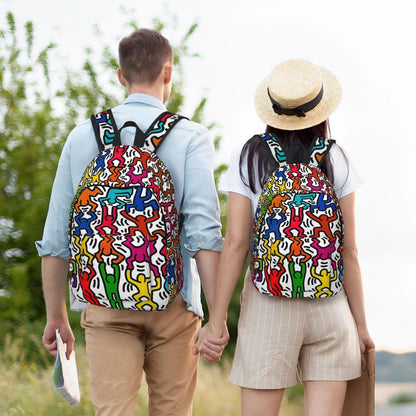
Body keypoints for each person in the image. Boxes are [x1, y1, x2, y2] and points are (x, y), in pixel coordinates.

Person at [36, 28, 227, 416]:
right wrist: (216, 317)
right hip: (175, 303)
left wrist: (56, 316)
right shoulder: (191, 137)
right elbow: (204, 235)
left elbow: (56, 237)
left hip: (104, 302)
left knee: (113, 411)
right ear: (168, 73)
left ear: (121, 76)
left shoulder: (81, 137)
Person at [194, 58, 375, 416]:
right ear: (321, 110)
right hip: (330, 307)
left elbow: (236, 244)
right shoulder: (337, 158)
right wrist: (361, 327)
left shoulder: (250, 156)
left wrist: (216, 321)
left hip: (268, 305)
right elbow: (349, 251)